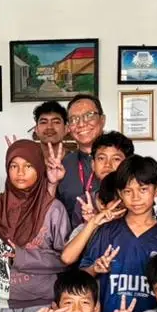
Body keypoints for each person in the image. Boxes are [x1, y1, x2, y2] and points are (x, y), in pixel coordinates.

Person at [65, 155, 157, 312]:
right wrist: (94, 269)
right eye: (128, 191)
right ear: (120, 193)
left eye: (143, 189)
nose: (135, 198)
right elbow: (83, 276)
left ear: (156, 190)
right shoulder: (107, 232)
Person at [0, 140, 70, 312]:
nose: (20, 173)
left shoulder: (53, 209)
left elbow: (65, 259)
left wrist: (22, 257)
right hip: (1, 299)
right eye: (14, 166)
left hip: (41, 300)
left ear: (40, 168)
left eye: (28, 166)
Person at [55, 94, 108, 222]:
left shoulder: (122, 161)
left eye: (89, 115)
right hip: (72, 239)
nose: (81, 123)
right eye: (73, 119)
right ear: (68, 128)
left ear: (102, 120)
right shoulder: (63, 166)